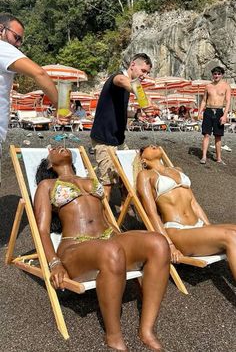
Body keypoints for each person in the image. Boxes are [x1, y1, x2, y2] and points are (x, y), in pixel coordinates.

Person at [34, 146, 170, 351]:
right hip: (76, 247)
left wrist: (122, 235)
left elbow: (106, 217)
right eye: (53, 148)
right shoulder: (47, 185)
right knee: (111, 250)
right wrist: (54, 263)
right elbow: (42, 231)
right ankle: (114, 337)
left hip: (109, 238)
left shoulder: (90, 179)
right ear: (49, 163)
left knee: (158, 243)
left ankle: (147, 330)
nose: (59, 145)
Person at [136, 145, 236, 281]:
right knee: (230, 236)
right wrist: (169, 245)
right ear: (143, 160)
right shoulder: (145, 175)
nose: (153, 146)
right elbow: (151, 214)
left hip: (198, 226)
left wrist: (208, 226)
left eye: (154, 145)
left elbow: (194, 203)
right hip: (178, 231)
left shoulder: (177, 169)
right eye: (146, 148)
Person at [0, 13, 69, 184]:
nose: (18, 44)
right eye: (16, 38)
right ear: (1, 29)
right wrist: (61, 107)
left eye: (20, 40)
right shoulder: (2, 47)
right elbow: (39, 73)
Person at [90, 53, 152, 200]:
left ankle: (125, 208)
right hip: (104, 139)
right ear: (132, 65)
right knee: (107, 183)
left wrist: (136, 115)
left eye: (147, 73)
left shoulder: (127, 87)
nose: (145, 75)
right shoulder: (117, 78)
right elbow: (122, 80)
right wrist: (144, 99)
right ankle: (104, 217)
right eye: (143, 71)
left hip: (118, 140)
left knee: (130, 176)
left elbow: (119, 110)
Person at [198, 66, 231, 165]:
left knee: (218, 136)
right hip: (208, 110)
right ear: (212, 75)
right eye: (215, 74)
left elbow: (228, 102)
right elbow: (204, 100)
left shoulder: (226, 86)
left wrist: (225, 115)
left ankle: (219, 158)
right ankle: (203, 157)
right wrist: (199, 112)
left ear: (222, 75)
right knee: (206, 134)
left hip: (219, 111)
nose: (216, 75)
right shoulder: (208, 86)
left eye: (218, 74)